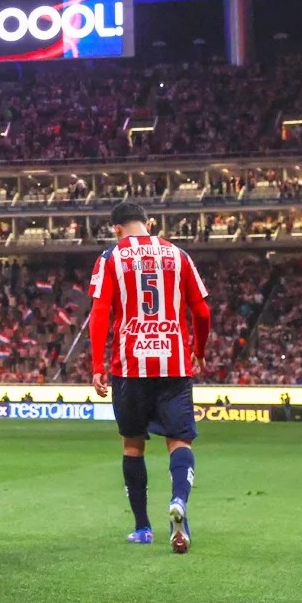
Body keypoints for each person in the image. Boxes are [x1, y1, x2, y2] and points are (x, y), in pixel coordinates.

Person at [88, 201, 211, 555]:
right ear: (150, 223)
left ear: (115, 229)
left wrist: (97, 364)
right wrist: (199, 350)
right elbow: (201, 311)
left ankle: (142, 527)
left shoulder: (111, 258)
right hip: (173, 362)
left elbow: (99, 312)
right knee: (180, 441)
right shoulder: (179, 255)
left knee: (132, 445)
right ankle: (178, 501)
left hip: (129, 365)